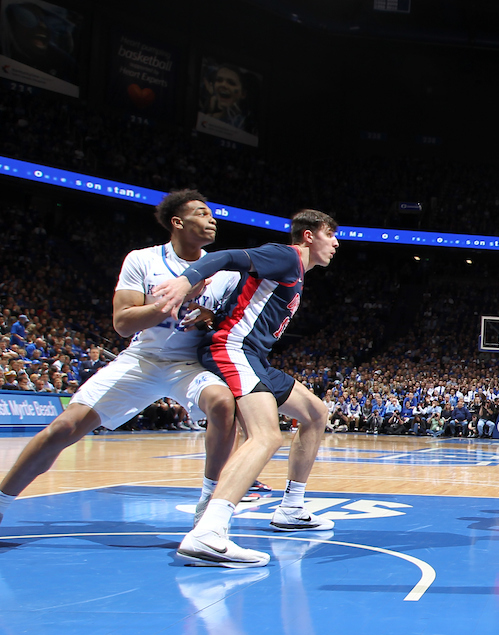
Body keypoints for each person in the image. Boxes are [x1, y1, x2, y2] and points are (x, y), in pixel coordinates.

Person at [0, 190, 238, 528]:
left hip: (190, 365)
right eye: (202, 213)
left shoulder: (226, 273)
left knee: (222, 403)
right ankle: (2, 501)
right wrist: (171, 300)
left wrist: (211, 317)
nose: (212, 219)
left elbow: (231, 328)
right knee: (63, 428)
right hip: (143, 359)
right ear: (178, 222)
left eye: (212, 214)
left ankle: (208, 503)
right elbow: (123, 323)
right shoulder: (143, 259)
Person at [153, 209, 340, 568]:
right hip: (233, 349)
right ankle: (209, 531)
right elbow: (227, 257)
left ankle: (291, 509)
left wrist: (212, 311)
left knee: (316, 413)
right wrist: (184, 281)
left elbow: (241, 296)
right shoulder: (286, 255)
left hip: (255, 356)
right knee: (266, 436)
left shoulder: (296, 272)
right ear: (308, 236)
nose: (335, 243)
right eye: (330, 234)